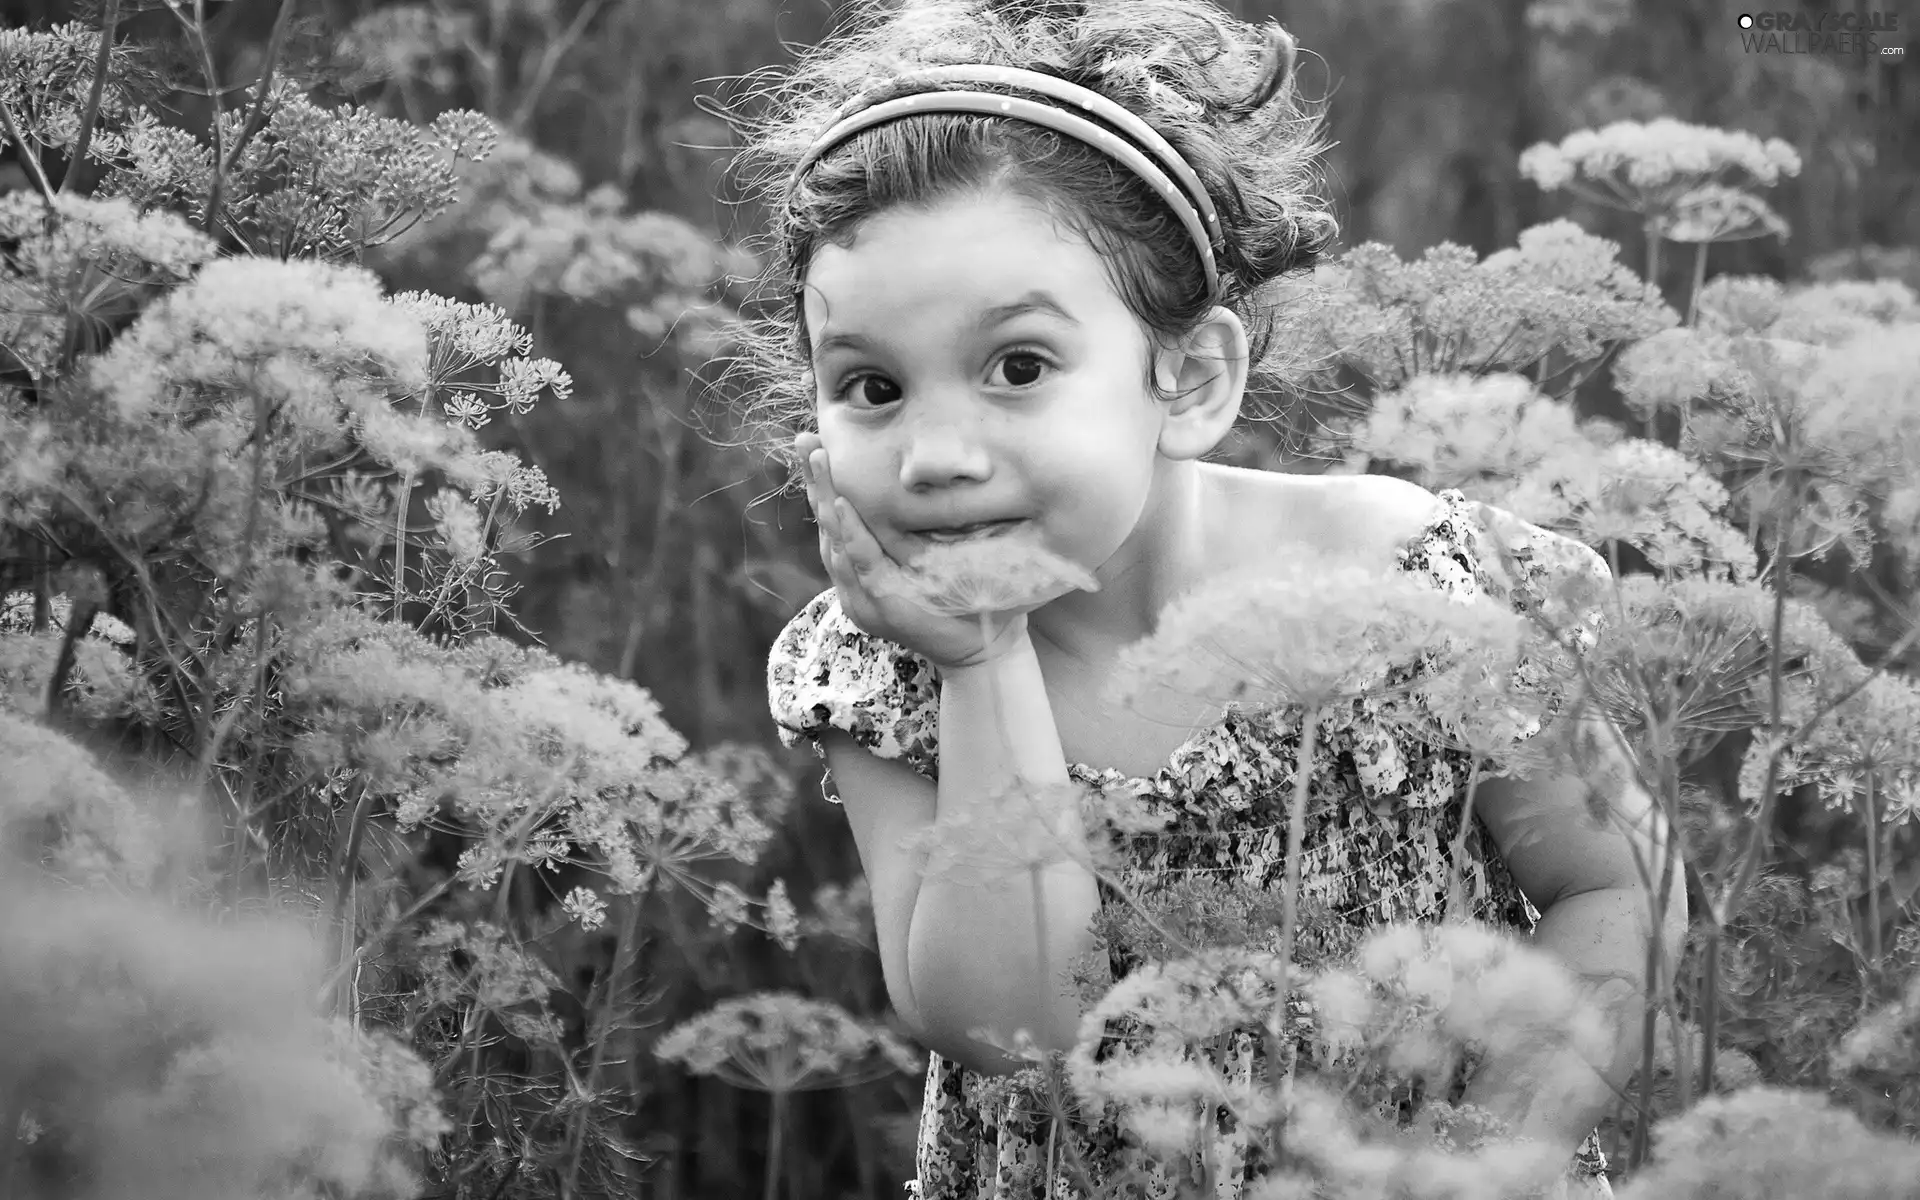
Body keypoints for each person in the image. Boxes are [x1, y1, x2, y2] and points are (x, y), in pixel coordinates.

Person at [733, 1, 1685, 1195]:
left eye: (1016, 368)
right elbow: (1008, 1020)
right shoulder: (878, 666)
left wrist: (1479, 1158)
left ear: (1186, 379)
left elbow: (1617, 886)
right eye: (870, 385)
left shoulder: (1431, 592)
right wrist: (982, 665)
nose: (934, 454)